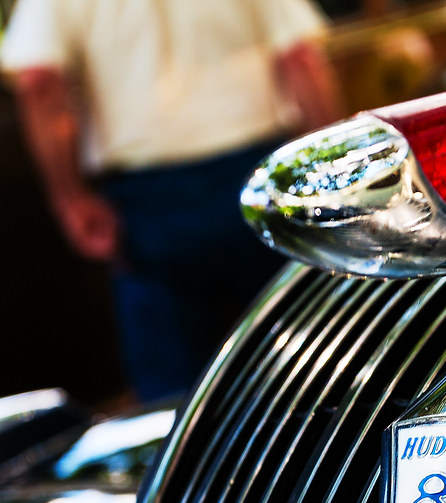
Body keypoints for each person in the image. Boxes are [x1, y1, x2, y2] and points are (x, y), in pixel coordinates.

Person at [0, 0, 342, 402]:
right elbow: (300, 58)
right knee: (307, 364)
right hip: (256, 180)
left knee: (173, 394)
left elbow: (38, 82)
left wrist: (69, 198)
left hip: (147, 203)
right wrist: (329, 174)